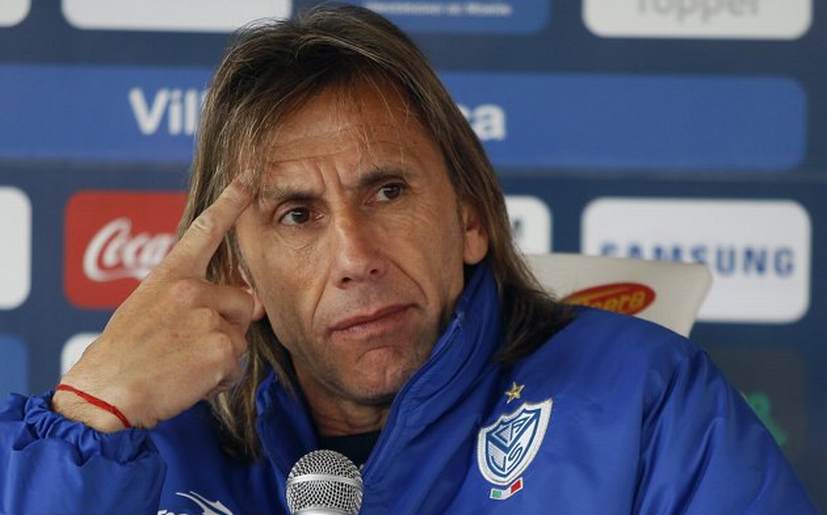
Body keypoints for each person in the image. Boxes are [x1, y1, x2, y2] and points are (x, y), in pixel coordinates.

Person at [0, 5, 819, 515]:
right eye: (297, 214)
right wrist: (89, 419)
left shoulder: (645, 402)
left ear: (469, 218)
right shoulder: (144, 446)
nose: (354, 256)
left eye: (387, 191)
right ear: (240, 273)